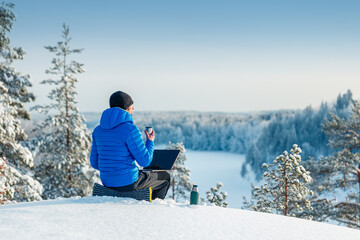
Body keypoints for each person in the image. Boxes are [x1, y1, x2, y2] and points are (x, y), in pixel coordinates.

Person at [90, 91, 170, 200]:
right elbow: (145, 161)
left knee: (142, 173)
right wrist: (150, 142)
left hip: (107, 182)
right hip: (128, 184)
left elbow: (94, 163)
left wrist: (113, 169)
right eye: (131, 106)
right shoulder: (130, 130)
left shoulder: (97, 131)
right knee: (164, 177)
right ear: (126, 108)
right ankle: (153, 207)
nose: (133, 109)